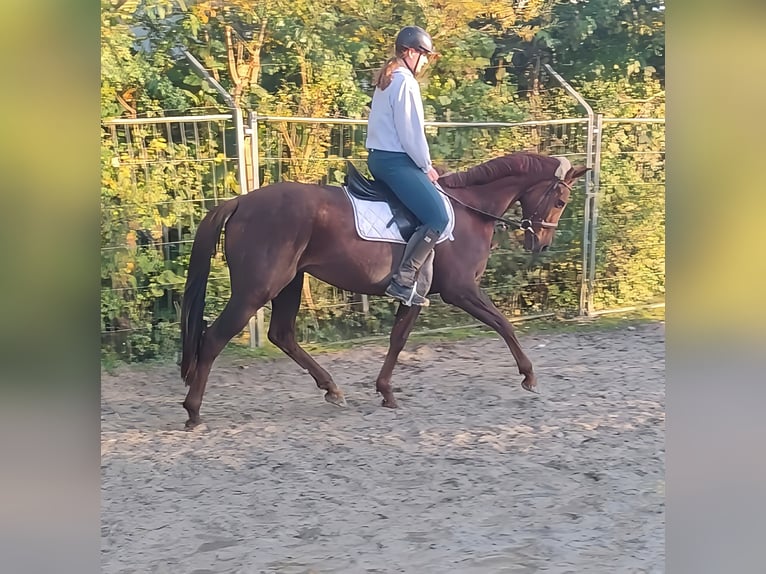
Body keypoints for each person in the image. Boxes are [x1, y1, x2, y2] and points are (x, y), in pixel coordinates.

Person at [366, 25, 449, 307]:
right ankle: (403, 279)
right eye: (423, 55)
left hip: (379, 158)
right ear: (409, 52)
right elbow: (411, 133)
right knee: (438, 217)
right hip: (396, 161)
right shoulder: (404, 82)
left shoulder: (387, 80)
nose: (425, 61)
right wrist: (426, 166)